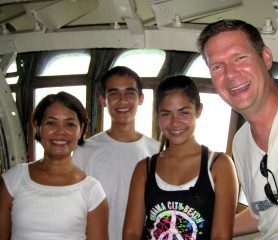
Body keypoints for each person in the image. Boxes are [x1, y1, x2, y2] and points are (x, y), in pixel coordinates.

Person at [197, 19, 278, 239]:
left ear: (266, 57)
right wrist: (204, 232)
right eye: (217, 66)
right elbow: (262, 212)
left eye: (240, 57)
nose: (230, 74)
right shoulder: (241, 142)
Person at [123, 75, 239, 239]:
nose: (175, 122)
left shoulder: (219, 165)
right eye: (166, 114)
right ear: (157, 115)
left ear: (199, 110)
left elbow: (221, 235)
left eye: (183, 112)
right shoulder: (145, 168)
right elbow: (131, 232)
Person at [0, 91, 108, 240]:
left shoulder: (92, 190)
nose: (60, 132)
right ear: (38, 126)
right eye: (51, 123)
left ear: (82, 129)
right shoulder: (13, 179)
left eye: (70, 124)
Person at [72, 66, 160, 240]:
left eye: (130, 93)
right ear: (103, 100)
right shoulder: (85, 151)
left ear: (141, 99)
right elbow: (75, 208)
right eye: (113, 93)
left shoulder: (157, 151)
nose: (122, 101)